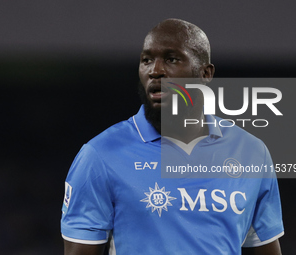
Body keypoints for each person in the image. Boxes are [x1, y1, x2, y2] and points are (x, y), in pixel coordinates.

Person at [61, 19, 284, 255]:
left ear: (205, 73)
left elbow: (264, 247)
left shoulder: (251, 152)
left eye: (171, 59)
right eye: (146, 60)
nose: (155, 70)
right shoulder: (100, 156)